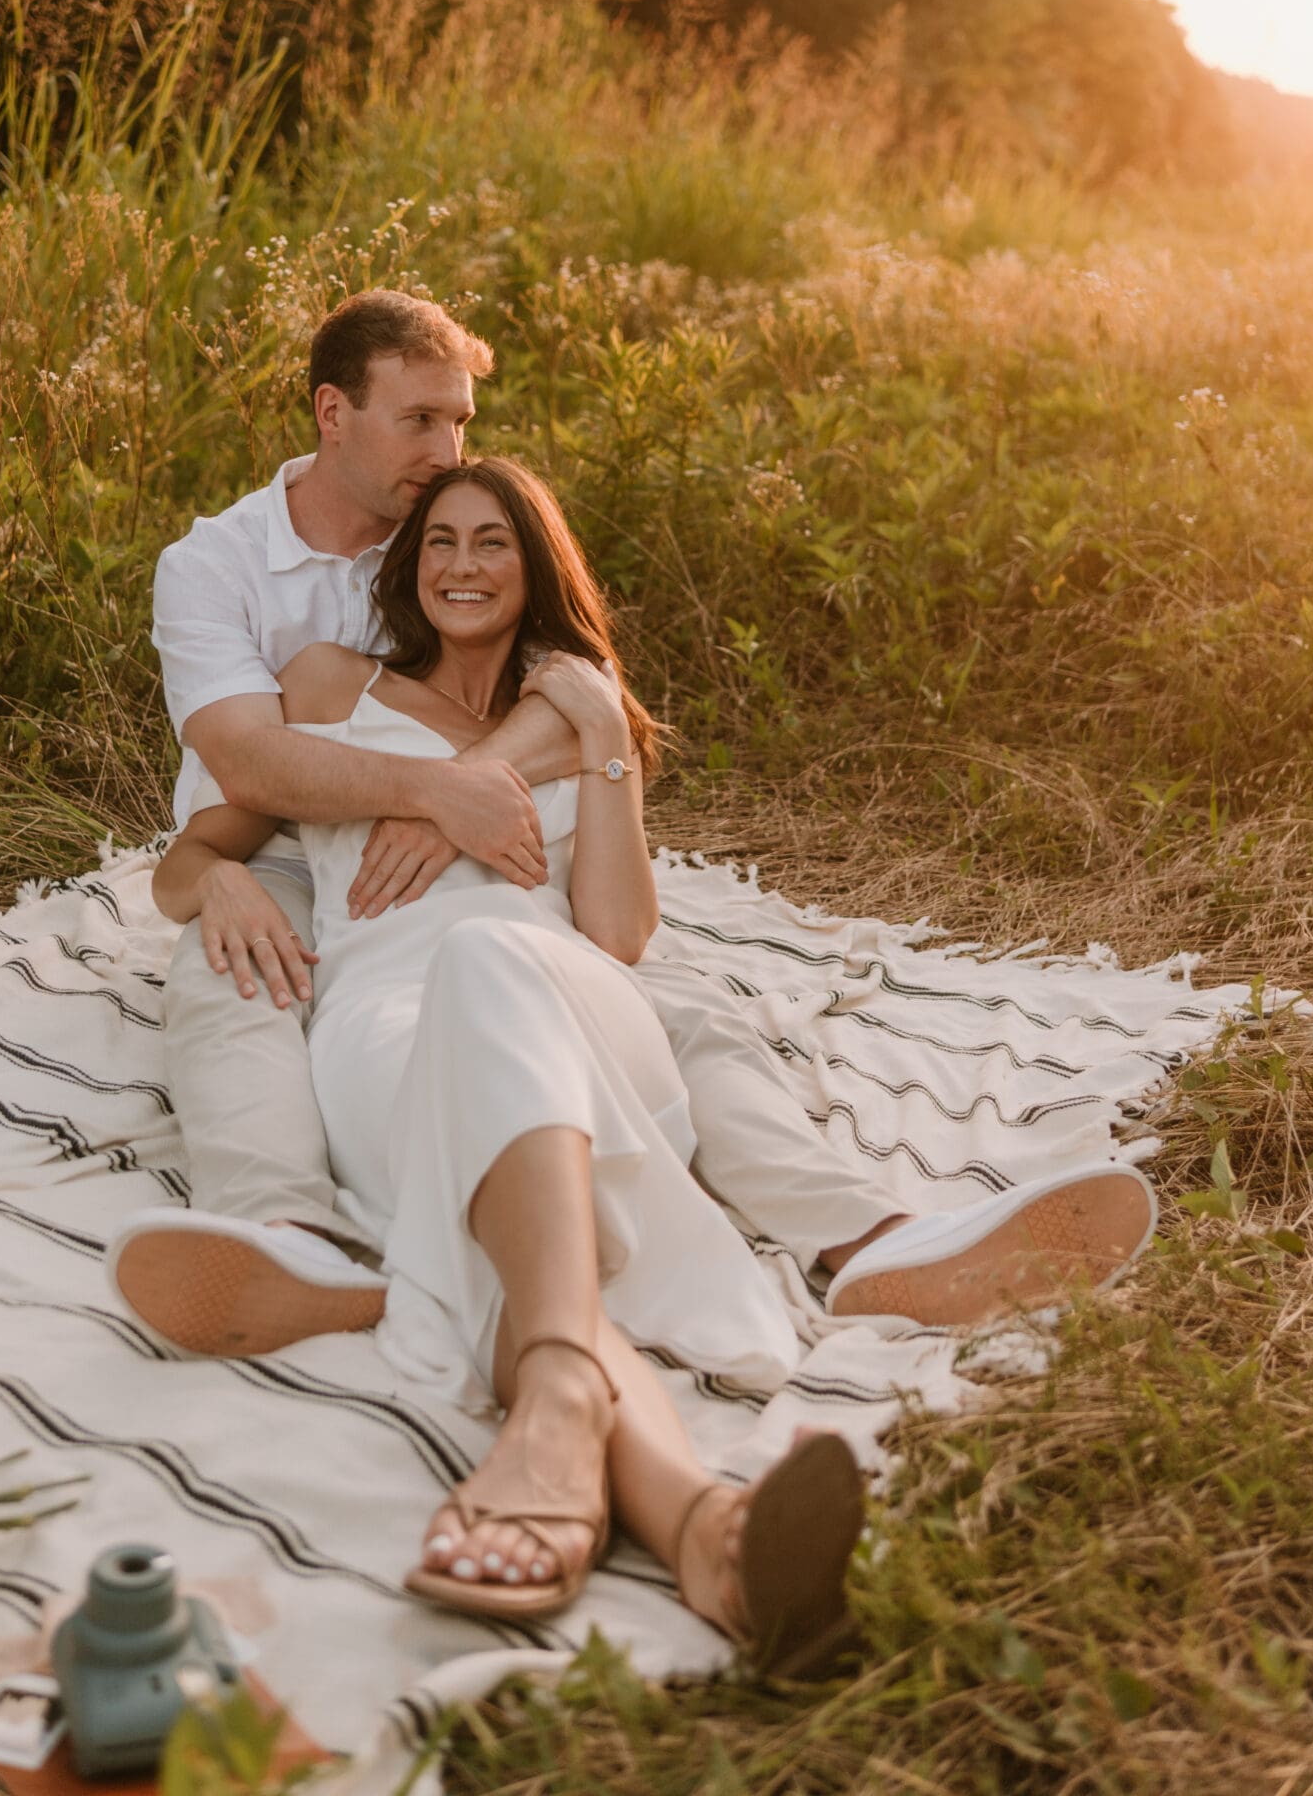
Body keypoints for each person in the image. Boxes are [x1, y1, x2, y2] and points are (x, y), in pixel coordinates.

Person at [121, 458, 1151, 1659]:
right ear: (408, 568)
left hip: (564, 1000)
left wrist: (608, 733)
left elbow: (615, 934)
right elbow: (188, 857)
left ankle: (588, 1386)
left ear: (535, 566)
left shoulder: (576, 712)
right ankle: (707, 1532)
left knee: (498, 960)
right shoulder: (334, 685)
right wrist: (229, 880)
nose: (461, 564)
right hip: (384, 1023)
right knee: (507, 1236)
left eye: (492, 543)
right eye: (441, 541)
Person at [109, 290, 1155, 1363]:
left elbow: (595, 719)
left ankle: (872, 1240)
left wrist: (470, 782)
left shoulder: (459, 543)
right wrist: (419, 798)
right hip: (292, 855)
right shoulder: (221, 569)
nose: (451, 447)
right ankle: (287, 1235)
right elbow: (250, 762)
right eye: (422, 420)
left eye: (461, 421)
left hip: (510, 894)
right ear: (334, 414)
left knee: (684, 1012)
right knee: (237, 978)